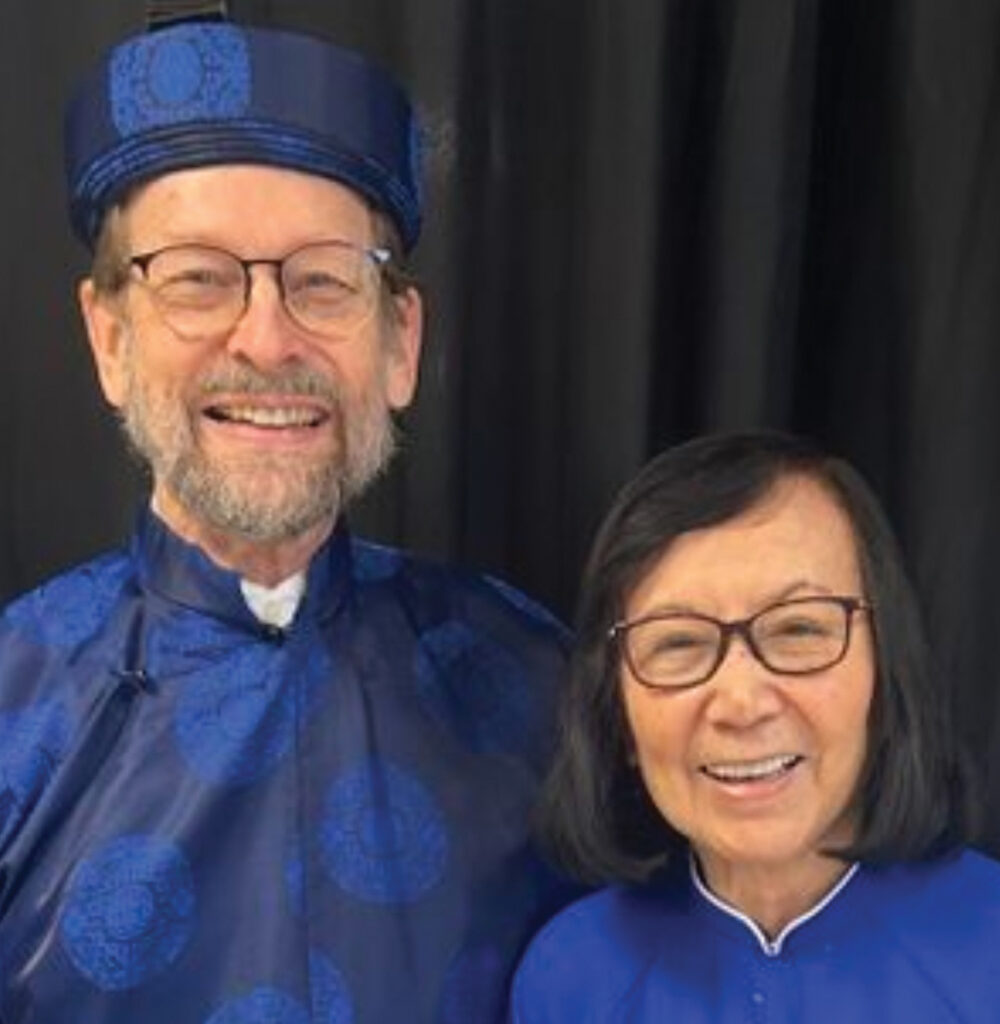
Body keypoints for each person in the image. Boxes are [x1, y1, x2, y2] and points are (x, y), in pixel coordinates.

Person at [0, 6, 571, 1023]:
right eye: (197, 280)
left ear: (399, 341)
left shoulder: (537, 688)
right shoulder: (13, 708)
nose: (266, 339)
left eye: (323, 281)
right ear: (109, 337)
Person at [510, 430, 1000, 1022]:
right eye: (679, 643)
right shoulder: (571, 978)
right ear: (616, 714)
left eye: (798, 630)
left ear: (886, 672)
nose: (741, 702)